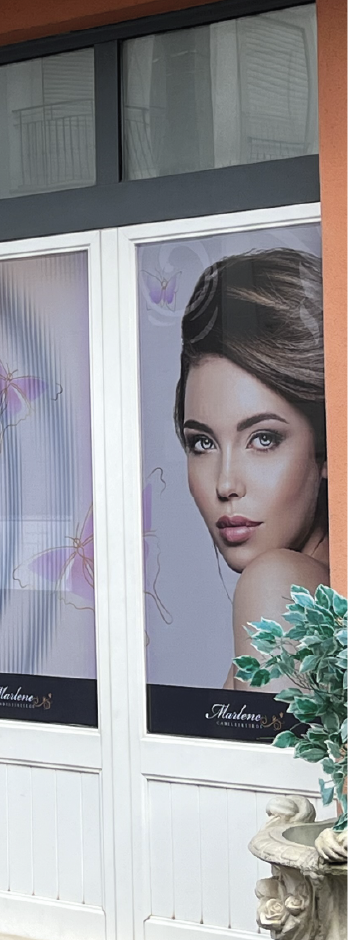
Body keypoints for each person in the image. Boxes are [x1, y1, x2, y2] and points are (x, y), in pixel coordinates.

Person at [174, 249, 328, 689]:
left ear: (326, 449)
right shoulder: (319, 596)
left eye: (263, 439)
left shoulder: (277, 585)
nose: (225, 483)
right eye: (202, 443)